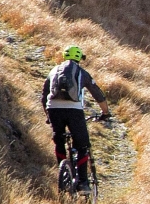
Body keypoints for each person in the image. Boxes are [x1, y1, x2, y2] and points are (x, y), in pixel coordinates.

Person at [41, 44, 110, 183]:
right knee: (82, 145)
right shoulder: (81, 72)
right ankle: (83, 182)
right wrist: (105, 112)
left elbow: (44, 96)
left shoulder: (53, 71)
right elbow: (98, 94)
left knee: (59, 142)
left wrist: (48, 116)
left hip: (53, 109)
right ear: (79, 58)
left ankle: (64, 176)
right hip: (74, 111)